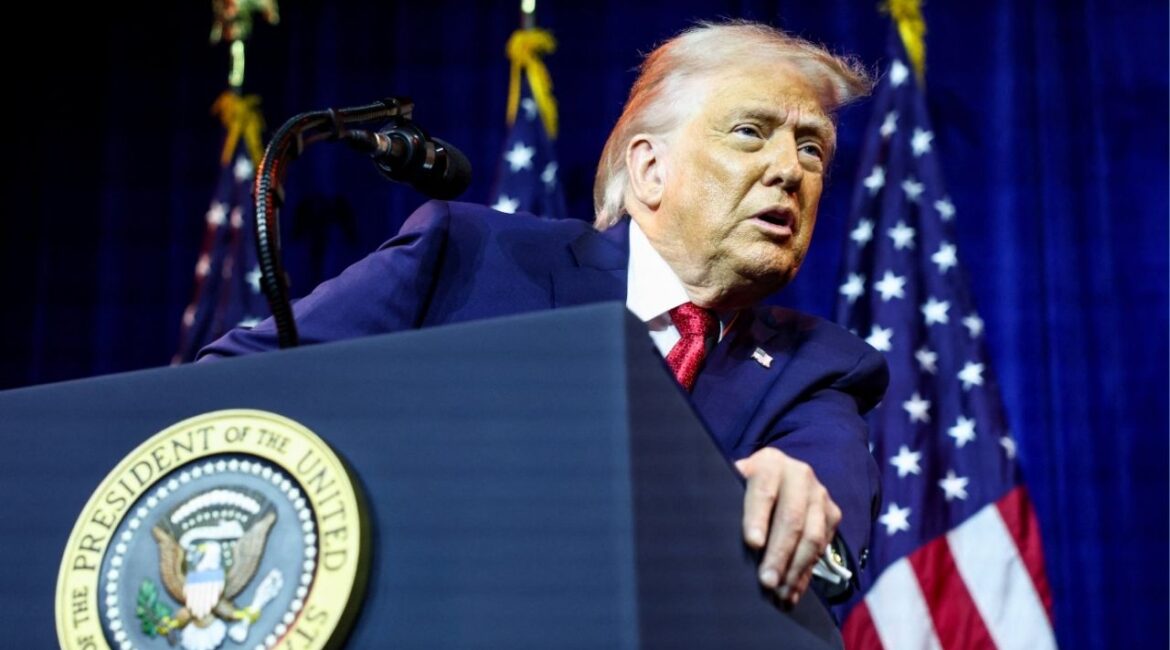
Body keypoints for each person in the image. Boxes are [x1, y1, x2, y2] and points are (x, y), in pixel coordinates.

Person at [200, 20, 885, 612]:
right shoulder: (470, 256)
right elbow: (229, 387)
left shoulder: (820, 369)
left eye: (812, 148)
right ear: (650, 169)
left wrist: (795, 503)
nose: (790, 171)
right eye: (750, 132)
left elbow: (825, 521)